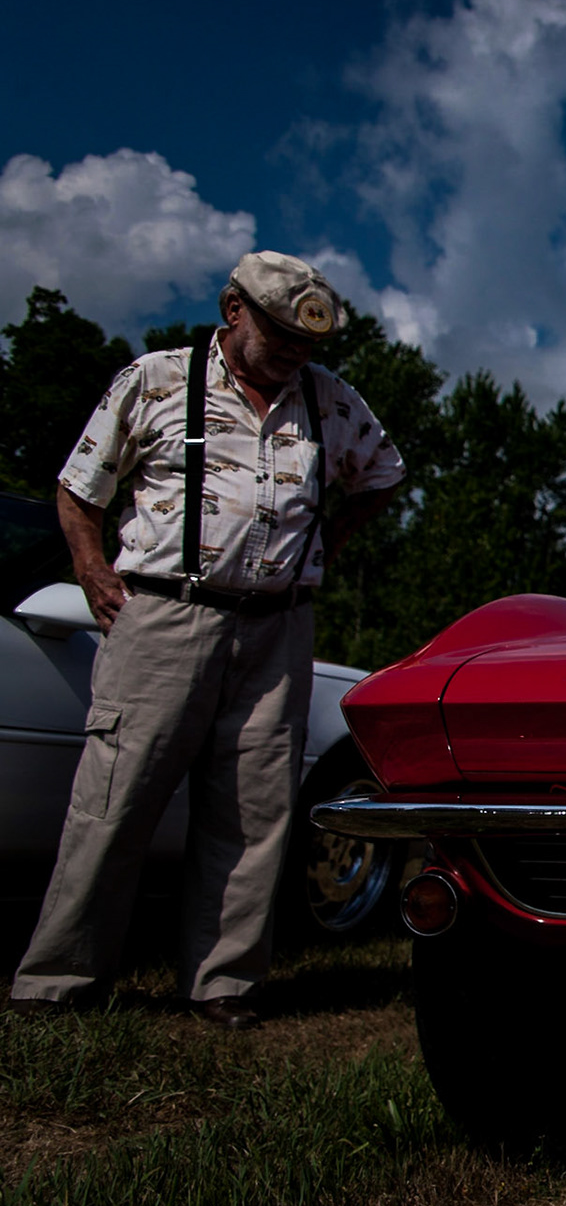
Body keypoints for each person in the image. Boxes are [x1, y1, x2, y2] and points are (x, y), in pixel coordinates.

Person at [5, 252, 404, 1029]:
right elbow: (78, 489)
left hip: (279, 627)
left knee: (254, 814)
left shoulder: (329, 401)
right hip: (163, 614)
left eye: (308, 341)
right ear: (233, 310)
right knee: (116, 800)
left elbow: (383, 475)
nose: (295, 351)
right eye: (280, 333)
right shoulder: (154, 381)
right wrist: (91, 569)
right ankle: (59, 981)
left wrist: (320, 547)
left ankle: (223, 985)